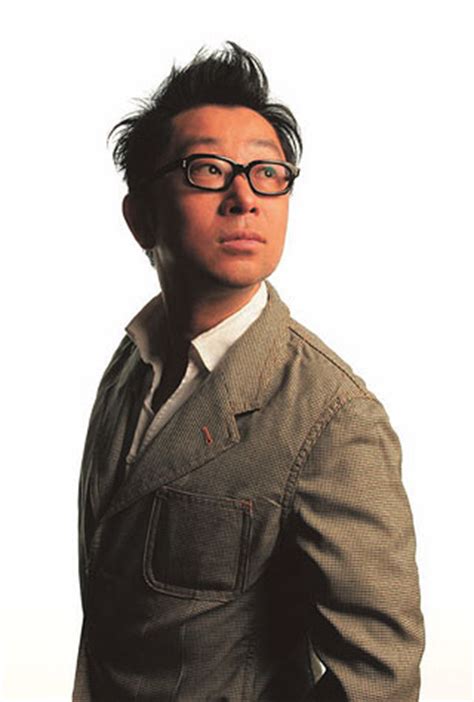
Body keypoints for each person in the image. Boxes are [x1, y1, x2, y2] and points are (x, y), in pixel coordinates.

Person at [73, 42, 424, 701]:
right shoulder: (130, 363)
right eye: (208, 169)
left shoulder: (331, 417)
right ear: (141, 216)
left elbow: (379, 679)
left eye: (268, 173)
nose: (244, 198)